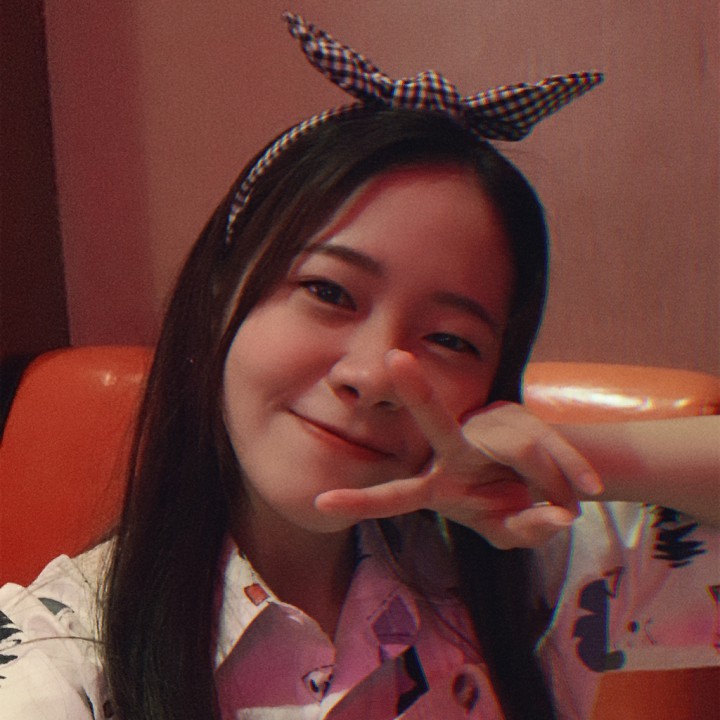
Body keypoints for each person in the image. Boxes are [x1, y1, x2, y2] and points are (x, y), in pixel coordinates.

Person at [0, 13, 717, 720]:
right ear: (222, 297)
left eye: (451, 340)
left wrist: (566, 457)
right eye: (328, 292)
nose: (375, 375)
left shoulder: (533, 568)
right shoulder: (57, 665)